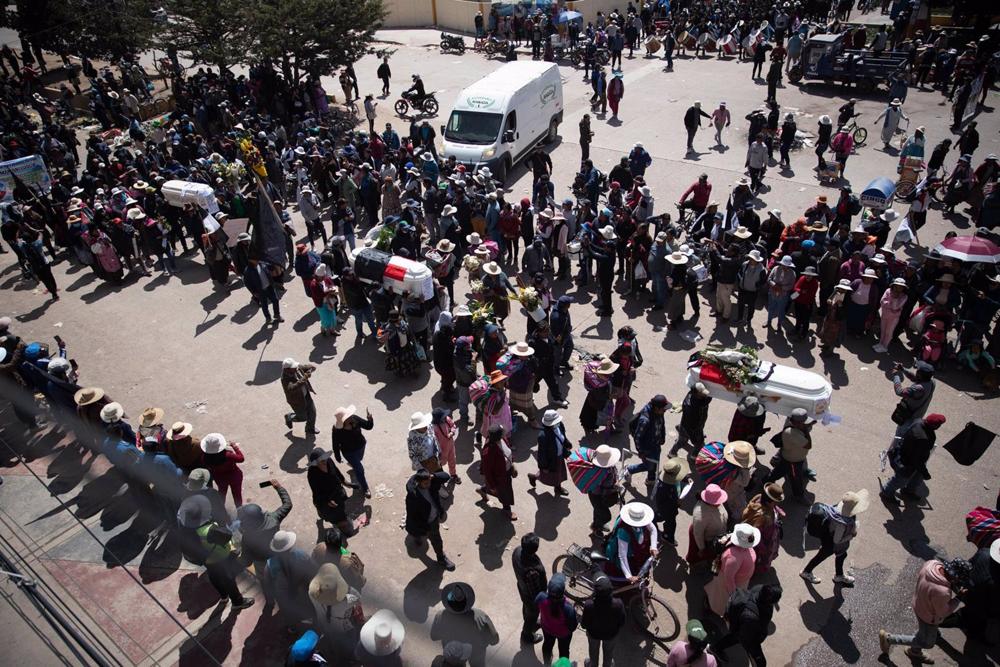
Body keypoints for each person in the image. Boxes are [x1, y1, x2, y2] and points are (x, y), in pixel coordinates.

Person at [879, 558, 971, 664]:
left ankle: (915, 651)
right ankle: (889, 639)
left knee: (925, 633)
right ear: (955, 577)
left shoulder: (932, 564)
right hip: (929, 617)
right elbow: (943, 613)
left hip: (919, 603)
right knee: (927, 643)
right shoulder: (942, 592)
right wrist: (958, 598)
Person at [176, 495, 254, 610]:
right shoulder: (209, 530)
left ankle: (223, 596)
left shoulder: (185, 528)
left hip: (206, 560)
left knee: (214, 577)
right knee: (228, 579)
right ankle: (237, 602)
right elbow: (227, 536)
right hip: (219, 558)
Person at [801, 489, 868, 586]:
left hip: (830, 537)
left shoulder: (838, 510)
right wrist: (851, 535)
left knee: (841, 555)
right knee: (822, 556)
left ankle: (839, 575)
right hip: (830, 541)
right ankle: (806, 572)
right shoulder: (842, 524)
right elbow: (837, 540)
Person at [711, 584, 782, 665]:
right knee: (761, 662)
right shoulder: (752, 617)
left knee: (734, 638)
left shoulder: (759, 588)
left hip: (744, 624)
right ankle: (715, 648)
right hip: (746, 632)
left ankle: (715, 648)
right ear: (769, 601)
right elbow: (744, 637)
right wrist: (754, 644)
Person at [881, 414, 946, 502]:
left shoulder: (918, 421)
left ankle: (908, 490)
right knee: (900, 480)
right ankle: (886, 493)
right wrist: (925, 473)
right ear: (935, 426)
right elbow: (917, 460)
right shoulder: (923, 439)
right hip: (906, 462)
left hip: (902, 452)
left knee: (918, 477)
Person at [431, 582, 499, 667]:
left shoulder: (440, 616)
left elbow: (434, 636)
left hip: (453, 656)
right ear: (467, 601)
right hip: (476, 653)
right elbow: (494, 639)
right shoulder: (480, 616)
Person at [404, 469, 456, 571]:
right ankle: (418, 537)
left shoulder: (431, 484)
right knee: (417, 531)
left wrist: (434, 476)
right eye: (425, 483)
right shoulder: (413, 495)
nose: (428, 484)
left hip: (433, 519)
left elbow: (446, 476)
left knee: (436, 540)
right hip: (424, 522)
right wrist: (422, 526)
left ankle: (441, 558)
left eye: (429, 481)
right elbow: (412, 514)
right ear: (419, 482)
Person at [309, 563, 362, 658]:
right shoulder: (348, 597)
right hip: (342, 627)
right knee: (349, 642)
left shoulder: (312, 594)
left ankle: (333, 652)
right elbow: (358, 600)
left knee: (331, 639)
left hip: (323, 623)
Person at [706, 523, 760, 615]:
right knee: (721, 600)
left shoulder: (741, 548)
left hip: (740, 582)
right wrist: (734, 595)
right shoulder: (733, 558)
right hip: (730, 585)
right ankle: (713, 609)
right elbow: (729, 579)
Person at [766, 408, 815, 500]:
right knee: (796, 479)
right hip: (793, 461)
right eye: (803, 423)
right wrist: (806, 431)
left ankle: (765, 481)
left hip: (789, 458)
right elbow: (808, 445)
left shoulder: (794, 427)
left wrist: (807, 426)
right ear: (797, 423)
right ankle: (798, 496)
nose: (805, 424)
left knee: (778, 471)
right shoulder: (793, 434)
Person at [307, 447, 356, 537]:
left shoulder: (329, 461)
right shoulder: (312, 473)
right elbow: (316, 492)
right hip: (325, 498)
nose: (324, 461)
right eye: (321, 460)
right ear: (315, 463)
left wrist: (346, 483)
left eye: (324, 457)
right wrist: (327, 501)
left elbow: (337, 472)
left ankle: (342, 524)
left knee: (341, 512)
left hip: (337, 493)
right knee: (333, 516)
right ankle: (339, 526)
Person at [605, 502, 658, 583]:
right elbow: (622, 555)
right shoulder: (623, 531)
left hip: (634, 551)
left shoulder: (642, 520)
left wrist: (653, 547)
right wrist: (629, 576)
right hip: (624, 555)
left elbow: (652, 529)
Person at [625, 394, 670, 487]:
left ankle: (651, 479)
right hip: (647, 448)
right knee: (649, 465)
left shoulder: (659, 412)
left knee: (655, 462)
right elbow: (637, 437)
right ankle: (630, 469)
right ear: (657, 408)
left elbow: (662, 424)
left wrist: (662, 437)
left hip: (656, 443)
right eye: (664, 409)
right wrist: (641, 451)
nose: (665, 411)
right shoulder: (645, 420)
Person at [581, 576, 626, 667]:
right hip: (611, 635)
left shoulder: (589, 605)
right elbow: (622, 622)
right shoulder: (618, 604)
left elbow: (584, 624)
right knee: (609, 653)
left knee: (593, 651)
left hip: (593, 635)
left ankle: (592, 664)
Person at [331, 405, 374, 499]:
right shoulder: (337, 430)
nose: (350, 417)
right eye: (347, 417)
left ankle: (353, 465)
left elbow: (368, 426)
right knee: (359, 469)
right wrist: (338, 456)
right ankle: (365, 488)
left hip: (361, 446)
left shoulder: (355, 419)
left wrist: (370, 419)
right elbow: (335, 444)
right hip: (348, 452)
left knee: (358, 461)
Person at [741, 483, 785, 575]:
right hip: (762, 544)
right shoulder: (762, 517)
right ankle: (753, 571)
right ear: (769, 502)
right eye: (775, 502)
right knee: (759, 558)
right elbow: (756, 535)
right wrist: (764, 549)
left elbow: (774, 507)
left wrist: (779, 511)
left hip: (768, 538)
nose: (776, 504)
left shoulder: (760, 498)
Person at [511, 533, 547, 645]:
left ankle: (531, 621)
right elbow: (536, 592)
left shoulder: (517, 551)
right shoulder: (532, 572)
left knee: (527, 608)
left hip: (523, 589)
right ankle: (527, 635)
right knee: (532, 614)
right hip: (532, 598)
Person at [476, 423, 517, 520]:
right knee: (505, 492)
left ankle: (483, 490)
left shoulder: (503, 439)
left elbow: (508, 451)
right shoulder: (488, 452)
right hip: (499, 476)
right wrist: (492, 485)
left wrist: (512, 464)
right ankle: (507, 510)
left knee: (502, 490)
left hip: (506, 471)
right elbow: (488, 471)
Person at [536, 573, 577, 663]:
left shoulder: (541, 597)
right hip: (563, 635)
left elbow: (535, 607)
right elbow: (573, 626)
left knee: (547, 645)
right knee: (564, 651)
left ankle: (547, 663)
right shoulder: (568, 608)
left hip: (547, 629)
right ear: (563, 592)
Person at [528, 410, 571, 496]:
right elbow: (542, 453)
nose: (558, 423)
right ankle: (534, 477)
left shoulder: (560, 425)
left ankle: (558, 488)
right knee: (549, 475)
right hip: (550, 459)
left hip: (559, 456)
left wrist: (567, 445)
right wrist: (544, 466)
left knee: (558, 473)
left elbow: (563, 437)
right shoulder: (543, 436)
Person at [890, 360, 936, 433]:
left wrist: (896, 375)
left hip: (909, 417)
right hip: (918, 414)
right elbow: (915, 378)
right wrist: (903, 369)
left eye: (918, 370)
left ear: (920, 375)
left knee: (900, 434)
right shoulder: (931, 382)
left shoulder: (918, 389)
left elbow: (899, 391)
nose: (916, 371)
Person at [200, 433, 244, 508]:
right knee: (237, 495)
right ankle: (240, 510)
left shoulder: (204, 458)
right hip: (234, 476)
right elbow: (241, 458)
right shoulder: (228, 455)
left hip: (220, 479)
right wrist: (235, 447)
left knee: (222, 493)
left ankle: (221, 509)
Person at [669, 382, 712, 455]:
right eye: (702, 393)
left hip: (688, 425)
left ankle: (680, 429)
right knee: (695, 443)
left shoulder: (691, 394)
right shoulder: (696, 406)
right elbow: (693, 427)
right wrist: (696, 438)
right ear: (697, 394)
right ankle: (675, 453)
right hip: (690, 428)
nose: (705, 394)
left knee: (683, 438)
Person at [282, 358, 319, 437]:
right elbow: (292, 388)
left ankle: (310, 429)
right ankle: (289, 417)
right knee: (303, 417)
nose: (296, 368)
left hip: (306, 395)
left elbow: (311, 367)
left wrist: (310, 369)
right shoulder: (285, 379)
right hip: (297, 401)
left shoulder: (297, 368)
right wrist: (305, 377)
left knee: (312, 412)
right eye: (293, 367)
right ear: (287, 369)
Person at [243, 257, 283, 325]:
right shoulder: (248, 271)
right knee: (264, 305)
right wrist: (254, 292)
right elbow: (247, 283)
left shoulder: (262, 263)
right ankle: (268, 318)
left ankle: (277, 315)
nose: (257, 259)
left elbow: (269, 268)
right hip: (260, 291)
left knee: (275, 300)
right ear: (251, 260)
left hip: (269, 287)